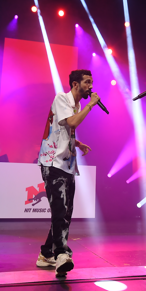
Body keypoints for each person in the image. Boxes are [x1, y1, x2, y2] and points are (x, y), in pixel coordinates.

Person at [37, 69, 99, 276]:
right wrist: (91, 105)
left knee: (65, 212)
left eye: (91, 82)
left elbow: (63, 129)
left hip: (67, 163)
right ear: (75, 84)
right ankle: (62, 254)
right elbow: (72, 122)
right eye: (87, 82)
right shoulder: (62, 98)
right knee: (59, 210)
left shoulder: (76, 105)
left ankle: (46, 253)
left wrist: (77, 143)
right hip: (52, 162)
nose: (91, 86)